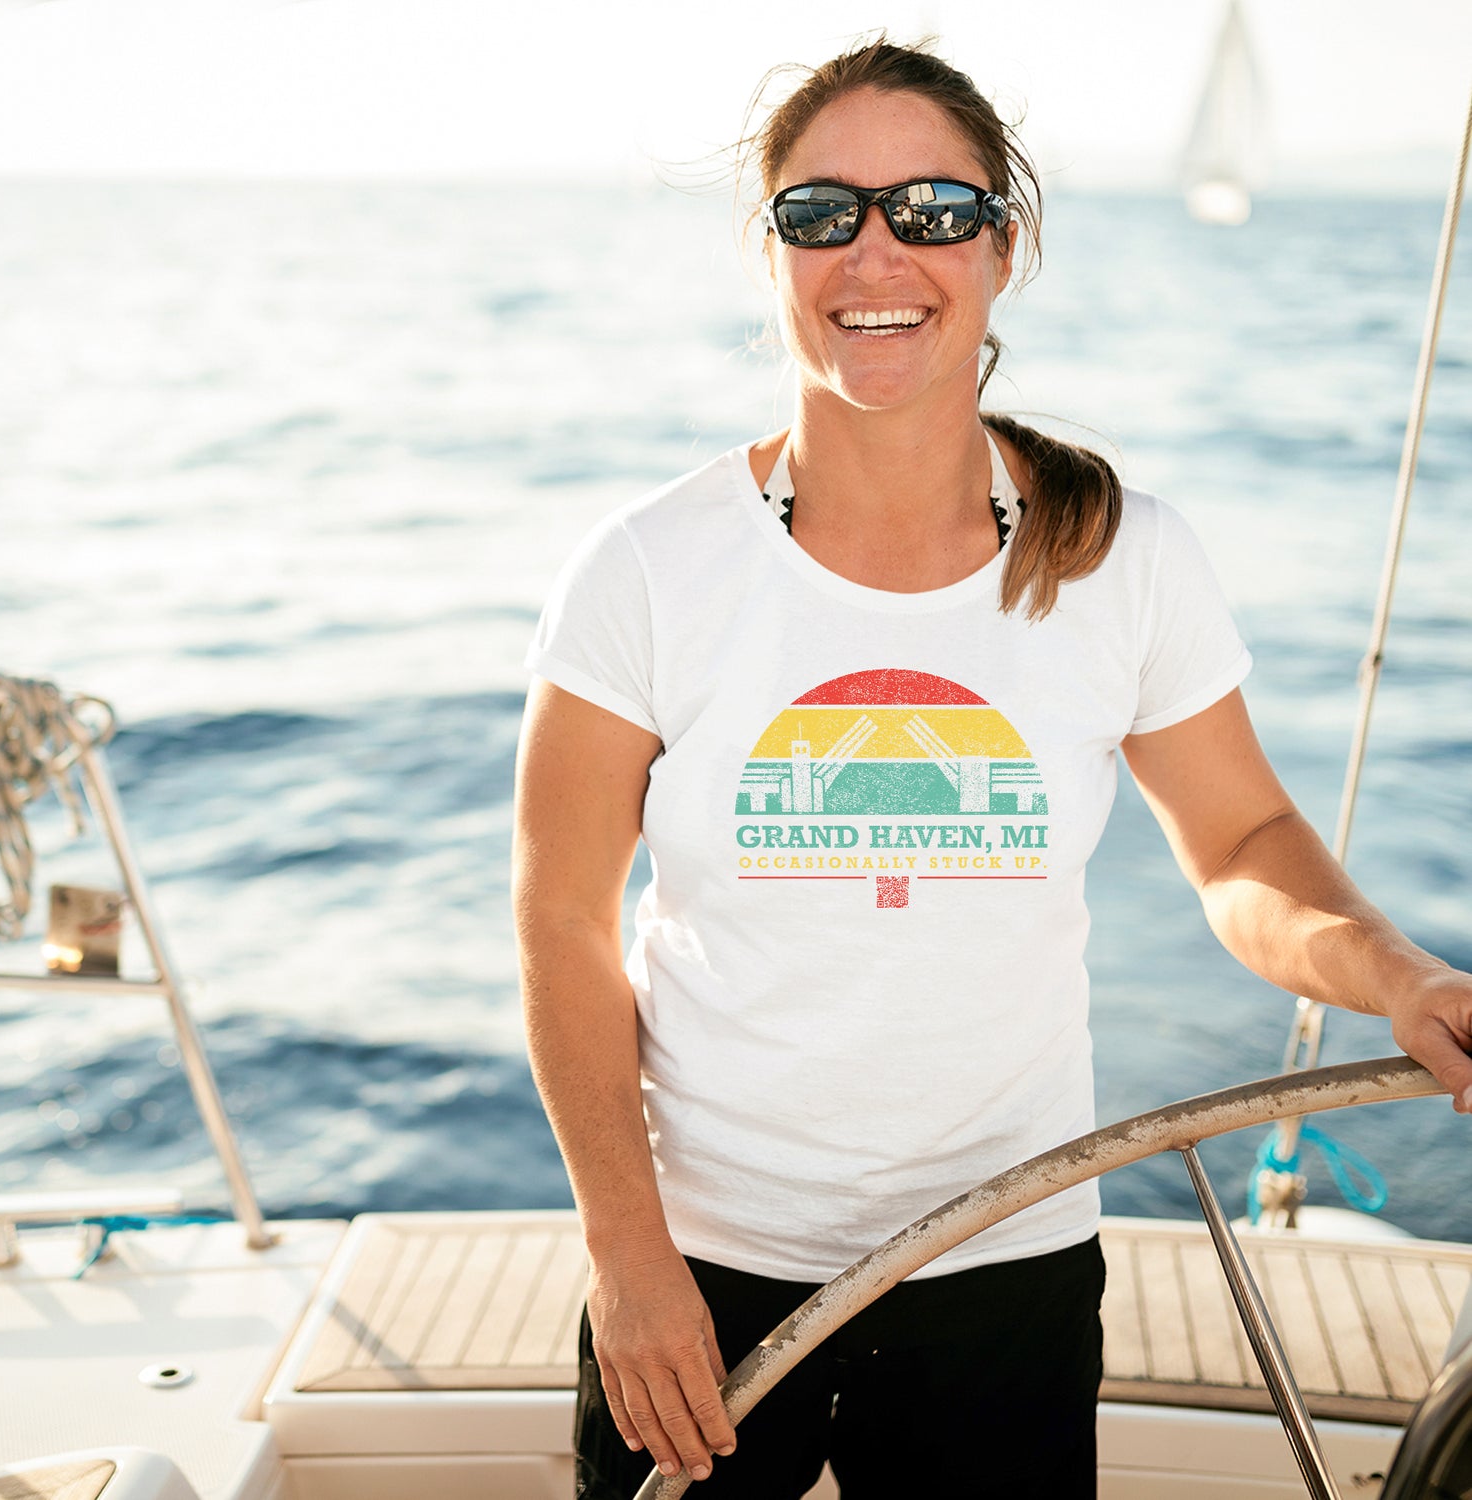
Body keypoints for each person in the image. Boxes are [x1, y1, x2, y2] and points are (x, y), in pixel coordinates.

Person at [513, 38, 1472, 1500]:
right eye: (822, 212)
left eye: (933, 210)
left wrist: (1396, 976)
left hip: (1006, 1255)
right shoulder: (646, 571)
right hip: (708, 1266)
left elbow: (1243, 842)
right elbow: (564, 918)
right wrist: (627, 1256)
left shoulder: (1125, 558)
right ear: (770, 252)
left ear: (1002, 248)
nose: (877, 250)